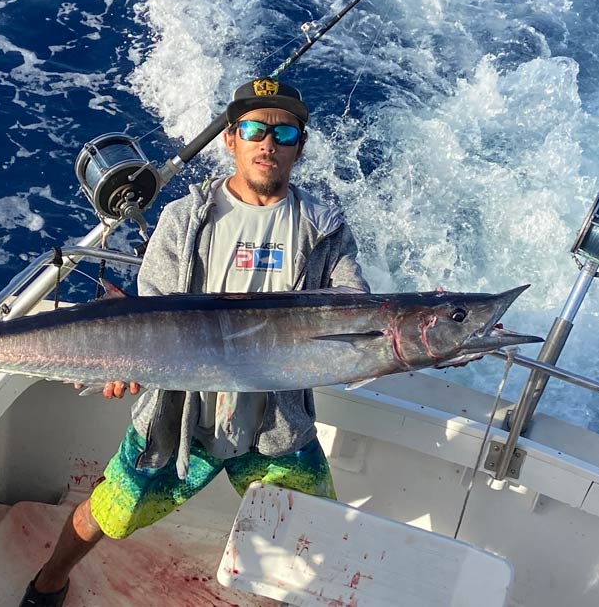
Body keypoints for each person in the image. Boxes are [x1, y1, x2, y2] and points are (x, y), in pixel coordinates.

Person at [20, 77, 369, 606]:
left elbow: (355, 309)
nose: (267, 142)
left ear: (301, 143)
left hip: (276, 425)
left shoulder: (326, 228)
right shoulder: (184, 219)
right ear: (230, 139)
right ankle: (49, 582)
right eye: (253, 128)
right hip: (180, 421)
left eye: (285, 131)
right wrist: (122, 366)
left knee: (311, 531)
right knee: (109, 513)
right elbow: (148, 314)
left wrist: (431, 343)